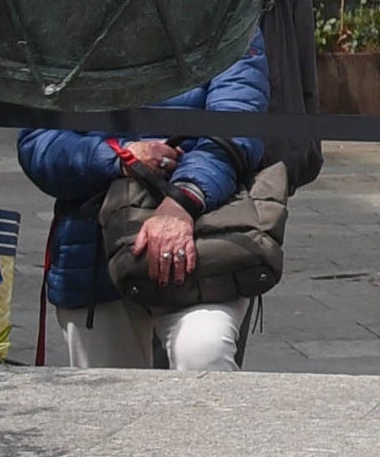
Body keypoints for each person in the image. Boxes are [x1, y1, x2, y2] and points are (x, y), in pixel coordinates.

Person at [19, 30, 283, 371]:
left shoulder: (227, 10)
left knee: (204, 353)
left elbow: (236, 122)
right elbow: (40, 142)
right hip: (92, 246)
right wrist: (118, 157)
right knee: (106, 401)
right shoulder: (67, 20)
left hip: (205, 239)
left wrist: (184, 199)